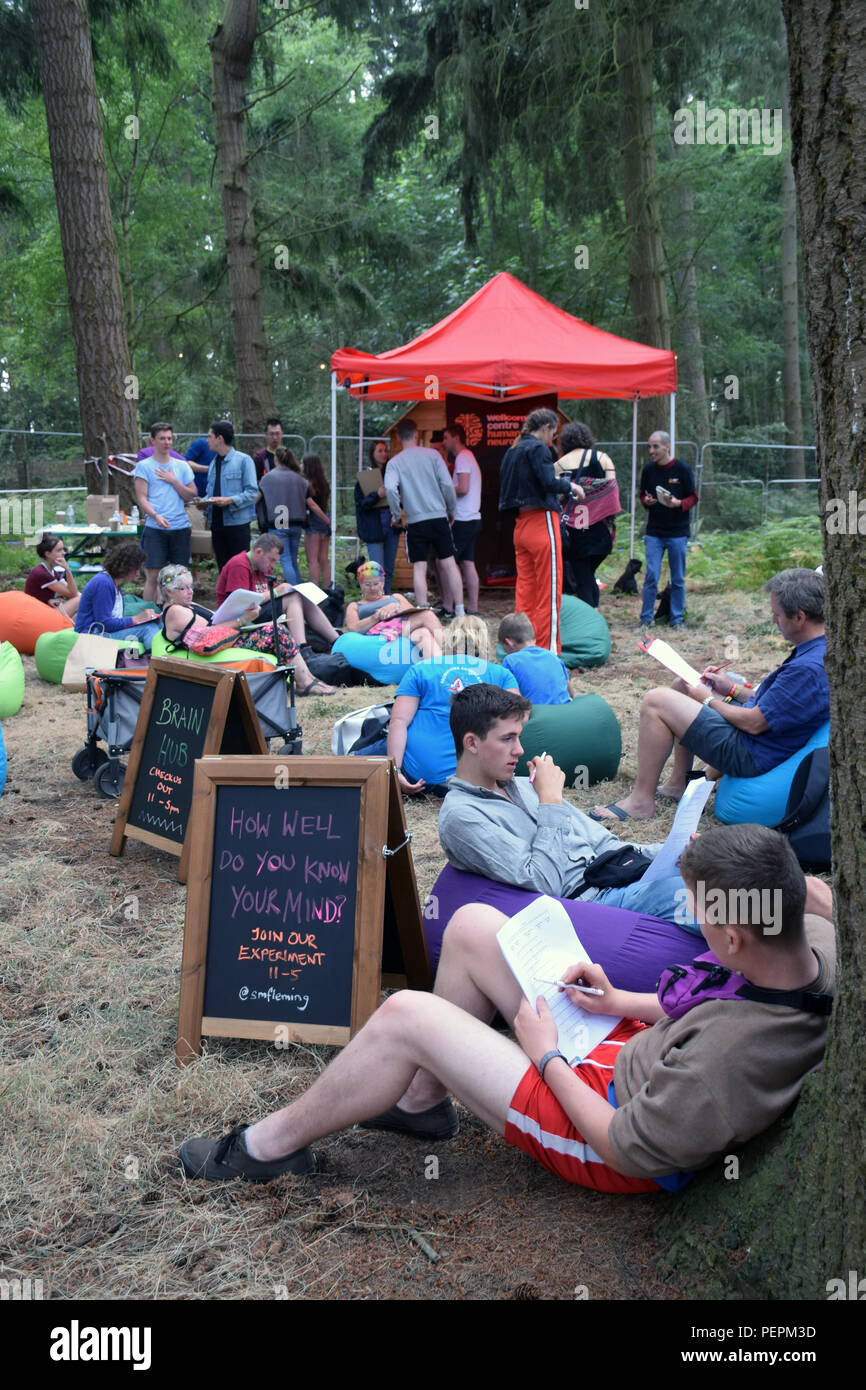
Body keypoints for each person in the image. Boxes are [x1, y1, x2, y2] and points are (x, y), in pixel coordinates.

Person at [180, 822, 834, 1195]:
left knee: (408, 1013)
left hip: (606, 1126)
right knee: (470, 926)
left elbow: (626, 1148)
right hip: (634, 1057)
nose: (688, 917)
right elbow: (728, 983)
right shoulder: (807, 945)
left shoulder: (719, 1068)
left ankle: (263, 1150)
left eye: (696, 910)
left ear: (733, 935)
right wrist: (619, 1001)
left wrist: (542, 1052)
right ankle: (419, 1104)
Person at [437, 684, 697, 925]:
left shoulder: (525, 785)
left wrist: (671, 853)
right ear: (471, 743)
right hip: (586, 905)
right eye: (507, 739)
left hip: (616, 878)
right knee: (697, 897)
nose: (519, 749)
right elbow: (544, 883)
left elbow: (608, 846)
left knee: (717, 871)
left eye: (519, 737)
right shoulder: (462, 816)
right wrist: (550, 802)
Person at [592, 569, 829, 823]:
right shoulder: (818, 650)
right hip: (759, 740)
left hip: (750, 752)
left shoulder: (807, 668)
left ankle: (640, 802)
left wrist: (708, 698)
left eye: (777, 614)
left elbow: (754, 723)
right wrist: (730, 689)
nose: (773, 620)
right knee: (682, 686)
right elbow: (777, 702)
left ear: (800, 617)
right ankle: (677, 784)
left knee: (656, 701)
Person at [388, 618, 518, 796]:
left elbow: (398, 722)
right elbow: (516, 723)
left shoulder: (421, 669)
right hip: (476, 781)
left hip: (421, 777)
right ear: (484, 641)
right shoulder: (502, 675)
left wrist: (395, 771)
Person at [157, 565, 332, 694]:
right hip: (218, 647)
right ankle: (304, 683)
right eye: (184, 588)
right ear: (169, 591)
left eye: (191, 587)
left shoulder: (188, 605)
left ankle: (307, 678)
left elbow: (216, 617)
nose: (190, 592)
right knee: (277, 633)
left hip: (228, 641)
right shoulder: (174, 611)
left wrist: (242, 611)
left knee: (276, 629)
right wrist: (242, 620)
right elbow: (207, 635)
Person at [498, 408, 581, 653]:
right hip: (541, 522)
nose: (552, 440)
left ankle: (520, 650)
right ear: (545, 428)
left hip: (520, 526)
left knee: (525, 592)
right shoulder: (537, 448)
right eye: (553, 434)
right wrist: (571, 486)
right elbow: (548, 482)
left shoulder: (512, 450)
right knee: (549, 593)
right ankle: (548, 654)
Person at [216, 533, 339, 685]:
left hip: (256, 614)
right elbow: (241, 605)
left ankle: (337, 640)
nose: (273, 565)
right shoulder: (239, 564)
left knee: (300, 595)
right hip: (239, 622)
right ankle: (303, 649)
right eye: (272, 560)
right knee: (292, 598)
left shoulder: (263, 566)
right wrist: (277, 591)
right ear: (259, 551)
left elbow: (270, 598)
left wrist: (281, 591)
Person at [384, 419, 464, 614]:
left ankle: (423, 612)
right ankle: (460, 611)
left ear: (398, 436)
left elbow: (389, 488)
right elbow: (446, 485)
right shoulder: (433, 455)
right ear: (417, 434)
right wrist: (451, 510)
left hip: (414, 521)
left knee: (419, 568)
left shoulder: (394, 463)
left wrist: (396, 515)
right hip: (438, 516)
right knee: (449, 564)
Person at [638, 430, 697, 629]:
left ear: (667, 446)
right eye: (649, 446)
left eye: (655, 446)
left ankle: (677, 619)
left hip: (678, 533)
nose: (651, 450)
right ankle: (646, 619)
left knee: (678, 578)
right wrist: (646, 501)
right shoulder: (648, 470)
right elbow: (642, 495)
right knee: (651, 575)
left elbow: (694, 497)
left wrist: (679, 503)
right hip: (654, 532)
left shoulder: (682, 469)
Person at [555, 421, 618, 608]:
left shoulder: (559, 464)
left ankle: (590, 616)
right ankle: (593, 614)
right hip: (599, 529)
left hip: (574, 531)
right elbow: (611, 490)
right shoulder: (603, 458)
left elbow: (553, 495)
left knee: (584, 578)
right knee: (587, 576)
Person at [133, 422, 198, 601]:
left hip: (180, 527)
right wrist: (155, 515)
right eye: (162, 438)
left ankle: (181, 615)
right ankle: (148, 618)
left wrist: (174, 481)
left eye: (169, 438)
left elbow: (191, 495)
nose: (166, 442)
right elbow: (142, 498)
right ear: (152, 441)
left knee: (180, 577)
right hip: (155, 528)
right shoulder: (144, 466)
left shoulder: (182, 466)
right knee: (153, 577)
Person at [258, 447, 329, 584]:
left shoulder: (268, 478)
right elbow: (311, 503)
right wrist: (328, 520)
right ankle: (298, 591)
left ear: (276, 459)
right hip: (296, 522)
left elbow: (256, 498)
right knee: (292, 560)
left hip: (279, 520)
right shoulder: (300, 479)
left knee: (285, 560)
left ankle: (293, 591)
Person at [344, 560, 443, 659]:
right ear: (361, 584)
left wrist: (394, 606)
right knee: (427, 615)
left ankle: (440, 665)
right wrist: (375, 617)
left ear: (382, 583)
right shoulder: (355, 606)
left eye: (375, 583)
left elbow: (412, 612)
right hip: (378, 633)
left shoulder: (396, 597)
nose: (372, 588)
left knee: (423, 632)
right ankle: (451, 652)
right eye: (367, 584)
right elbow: (353, 628)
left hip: (401, 628)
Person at [197, 421, 259, 571]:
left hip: (237, 525)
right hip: (216, 524)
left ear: (219, 438)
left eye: (209, 436)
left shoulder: (244, 460)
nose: (207, 440)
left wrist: (230, 500)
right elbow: (212, 493)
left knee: (239, 569)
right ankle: (225, 595)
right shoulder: (213, 463)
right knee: (223, 569)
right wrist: (204, 502)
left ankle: (241, 595)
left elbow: (252, 492)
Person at [73, 543, 160, 650]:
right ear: (125, 567)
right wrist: (135, 619)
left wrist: (143, 619)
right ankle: (158, 663)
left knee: (159, 623)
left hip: (103, 632)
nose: (138, 574)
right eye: (136, 569)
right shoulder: (103, 583)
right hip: (92, 635)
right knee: (148, 629)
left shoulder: (114, 584)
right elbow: (103, 624)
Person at [443, 423, 482, 614]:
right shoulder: (467, 457)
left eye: (446, 438)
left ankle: (449, 607)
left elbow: (464, 488)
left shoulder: (463, 458)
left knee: (449, 563)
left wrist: (445, 489)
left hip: (464, 519)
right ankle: (473, 608)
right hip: (472, 518)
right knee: (468, 563)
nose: (444, 442)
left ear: (456, 438)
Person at [355, 440, 399, 593]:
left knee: (389, 568)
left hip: (392, 526)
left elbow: (401, 499)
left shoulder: (393, 474)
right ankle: (377, 601)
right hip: (374, 527)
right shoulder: (365, 478)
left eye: (385, 450)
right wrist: (377, 495)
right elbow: (361, 505)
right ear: (372, 454)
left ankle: (386, 598)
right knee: (377, 569)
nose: (384, 454)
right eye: (379, 451)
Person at [498, 612, 570, 705]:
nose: (506, 653)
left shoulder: (511, 661)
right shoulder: (553, 656)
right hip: (564, 711)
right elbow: (570, 693)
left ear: (510, 642)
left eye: (505, 649)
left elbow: (505, 700)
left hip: (537, 716)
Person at [25, 534, 80, 618]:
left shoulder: (52, 571)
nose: (64, 553)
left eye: (63, 549)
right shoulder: (41, 573)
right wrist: (67, 570)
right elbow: (72, 593)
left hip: (46, 609)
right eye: (59, 550)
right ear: (48, 554)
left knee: (81, 601)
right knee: (79, 600)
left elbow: (74, 591)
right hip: (38, 616)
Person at [301, 452, 331, 587]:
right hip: (325, 521)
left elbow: (312, 505)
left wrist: (326, 520)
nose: (300, 465)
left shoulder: (307, 484)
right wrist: (328, 520)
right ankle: (327, 589)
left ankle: (314, 592)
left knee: (312, 560)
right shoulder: (324, 483)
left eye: (303, 463)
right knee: (324, 559)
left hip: (314, 522)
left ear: (308, 466)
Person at [184, 433, 217, 498]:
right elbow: (186, 463)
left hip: (217, 498)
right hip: (197, 496)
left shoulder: (229, 452)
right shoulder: (201, 443)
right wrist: (209, 469)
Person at [253, 418, 284, 483]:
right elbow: (256, 480)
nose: (275, 437)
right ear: (266, 435)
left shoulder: (288, 455)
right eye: (271, 434)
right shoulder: (259, 457)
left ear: (282, 434)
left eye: (277, 434)